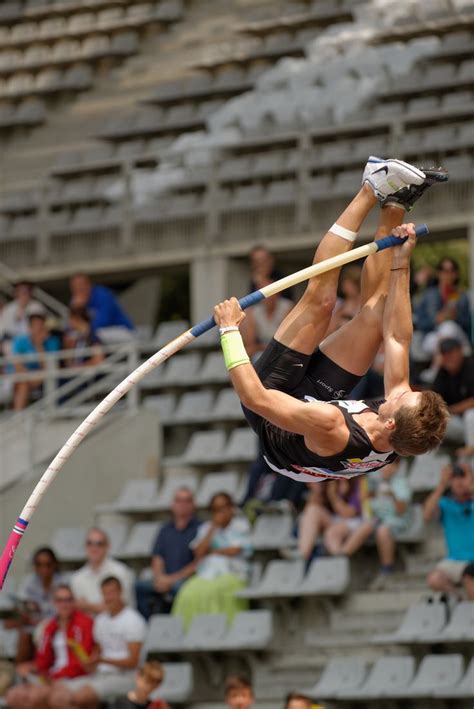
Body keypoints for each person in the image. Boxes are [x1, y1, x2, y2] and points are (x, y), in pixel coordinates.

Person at [213, 157, 449, 485]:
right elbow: (397, 337)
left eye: (400, 398)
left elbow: (254, 397)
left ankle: (370, 186)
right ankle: (396, 200)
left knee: (321, 305)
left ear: (391, 423)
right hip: (318, 404)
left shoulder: (332, 427)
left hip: (274, 411)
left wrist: (228, 330)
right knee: (374, 319)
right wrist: (401, 262)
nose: (398, 391)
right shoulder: (407, 434)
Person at [49, 576, 147, 708]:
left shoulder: (133, 620)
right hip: (100, 675)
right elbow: (98, 651)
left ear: (121, 592)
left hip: (126, 677)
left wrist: (102, 660)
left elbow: (133, 662)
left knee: (80, 696)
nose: (108, 597)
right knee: (56, 694)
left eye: (112, 593)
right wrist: (90, 662)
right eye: (105, 593)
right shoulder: (101, 620)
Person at [5, 584, 94, 709]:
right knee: (13, 696)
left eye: (68, 600)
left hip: (74, 677)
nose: (64, 604)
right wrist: (32, 667)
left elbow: (82, 661)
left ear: (74, 602)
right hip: (51, 676)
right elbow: (43, 660)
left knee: (45, 698)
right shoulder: (50, 626)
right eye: (60, 600)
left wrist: (53, 678)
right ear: (54, 603)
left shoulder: (84, 623)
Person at [172, 492, 252, 629]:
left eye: (223, 507)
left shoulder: (241, 525)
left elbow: (235, 550)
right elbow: (199, 552)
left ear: (231, 507)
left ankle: (216, 630)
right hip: (207, 573)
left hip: (233, 573)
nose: (220, 512)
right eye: (216, 509)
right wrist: (213, 528)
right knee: (187, 592)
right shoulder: (206, 528)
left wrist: (213, 551)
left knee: (213, 592)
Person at [135, 487, 201, 619]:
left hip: (187, 581)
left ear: (193, 505)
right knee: (139, 586)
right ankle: (149, 626)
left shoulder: (200, 529)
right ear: (172, 504)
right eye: (178, 500)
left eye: (187, 500)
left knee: (179, 588)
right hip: (165, 579)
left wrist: (172, 579)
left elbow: (198, 563)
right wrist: (160, 578)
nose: (182, 504)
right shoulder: (165, 530)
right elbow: (157, 558)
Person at [424, 462, 474, 600]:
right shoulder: (445, 504)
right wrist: (441, 485)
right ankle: (460, 599)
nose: (459, 482)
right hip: (455, 561)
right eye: (455, 477)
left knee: (469, 573)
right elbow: (427, 515)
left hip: (471, 563)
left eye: (463, 476)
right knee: (434, 579)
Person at [6, 547, 64, 663]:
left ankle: (43, 672)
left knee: (43, 634)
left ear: (55, 565)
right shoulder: (28, 582)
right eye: (39, 565)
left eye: (48, 564)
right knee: (24, 635)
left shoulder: (63, 582)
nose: (44, 569)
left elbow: (65, 610)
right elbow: (21, 606)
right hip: (33, 624)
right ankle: (20, 673)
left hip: (57, 625)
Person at [71, 527, 135, 614]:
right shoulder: (77, 578)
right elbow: (78, 610)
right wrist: (101, 607)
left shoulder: (121, 571)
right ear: (85, 547)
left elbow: (119, 608)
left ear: (108, 546)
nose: (94, 548)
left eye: (99, 544)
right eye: (89, 543)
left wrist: (88, 606)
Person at [414, 257, 471, 351]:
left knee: (449, 327)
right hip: (432, 336)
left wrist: (456, 316)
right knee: (445, 330)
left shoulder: (461, 295)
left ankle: (436, 364)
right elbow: (420, 323)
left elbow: (467, 323)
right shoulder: (428, 294)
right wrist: (436, 320)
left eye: (452, 270)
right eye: (444, 270)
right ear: (438, 273)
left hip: (456, 335)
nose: (448, 274)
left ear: (456, 273)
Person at [10, 309, 61, 410]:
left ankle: (18, 416)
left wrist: (39, 345)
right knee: (23, 383)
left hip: (43, 376)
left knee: (31, 380)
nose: (38, 328)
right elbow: (17, 366)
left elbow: (48, 367)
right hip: (24, 376)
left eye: (40, 325)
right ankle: (18, 416)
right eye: (35, 325)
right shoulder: (20, 341)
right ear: (29, 327)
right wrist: (29, 377)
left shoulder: (53, 341)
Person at [432, 337, 474, 445]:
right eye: (445, 354)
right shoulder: (443, 372)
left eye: (451, 352)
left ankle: (469, 456)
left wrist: (453, 409)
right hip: (457, 422)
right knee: (432, 422)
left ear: (460, 351)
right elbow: (434, 398)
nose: (448, 357)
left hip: (469, 419)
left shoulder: (470, 366)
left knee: (470, 415)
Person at [241, 277, 293, 358]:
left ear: (278, 292)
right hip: (262, 349)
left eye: (271, 292)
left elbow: (286, 340)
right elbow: (249, 343)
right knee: (247, 353)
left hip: (282, 349)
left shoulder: (287, 307)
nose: (268, 297)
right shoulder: (253, 311)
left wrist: (260, 347)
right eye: (264, 293)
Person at [69, 273, 134, 333]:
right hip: (102, 336)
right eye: (74, 287)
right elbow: (71, 326)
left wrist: (86, 327)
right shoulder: (77, 302)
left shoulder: (102, 295)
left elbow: (104, 321)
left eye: (80, 285)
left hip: (122, 330)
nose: (78, 289)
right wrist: (76, 310)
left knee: (96, 333)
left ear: (88, 284)